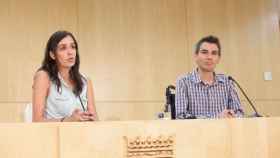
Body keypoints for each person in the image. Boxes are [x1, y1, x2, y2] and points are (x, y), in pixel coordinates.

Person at [32, 30, 98, 122]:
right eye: (63, 48)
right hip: (54, 135)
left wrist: (89, 118)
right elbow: (37, 121)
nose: (70, 52)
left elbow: (95, 120)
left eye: (73, 47)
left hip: (83, 134)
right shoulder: (43, 77)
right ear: (52, 55)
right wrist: (68, 120)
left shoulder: (85, 81)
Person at [175, 35, 243, 119]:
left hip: (223, 131)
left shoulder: (227, 82)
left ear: (218, 59)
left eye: (214, 53)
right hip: (195, 131)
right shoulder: (183, 82)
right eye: (204, 52)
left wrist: (231, 115)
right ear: (196, 56)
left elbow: (239, 113)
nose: (209, 57)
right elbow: (181, 116)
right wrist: (217, 117)